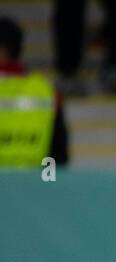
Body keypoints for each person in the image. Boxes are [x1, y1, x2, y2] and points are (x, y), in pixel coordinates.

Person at [0, 16, 67, 167]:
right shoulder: (45, 89)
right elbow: (59, 154)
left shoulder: (46, 90)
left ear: (4, 49)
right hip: (33, 183)